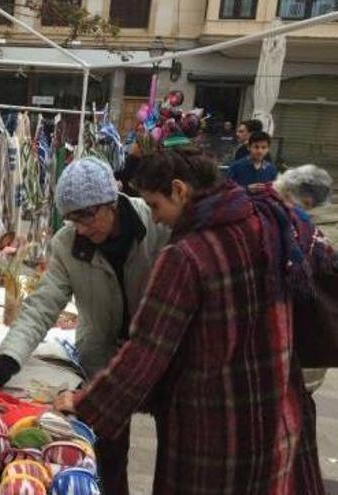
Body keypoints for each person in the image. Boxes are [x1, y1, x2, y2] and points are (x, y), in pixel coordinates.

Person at [57, 148, 331, 494]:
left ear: (179, 190)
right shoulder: (263, 219)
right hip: (276, 411)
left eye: (155, 205)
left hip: (213, 432)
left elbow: (145, 351)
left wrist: (85, 404)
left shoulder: (186, 256)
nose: (155, 219)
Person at [0, 156, 170, 495]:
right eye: (72, 218)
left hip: (157, 356)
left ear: (110, 202)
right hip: (102, 360)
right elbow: (41, 306)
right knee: (109, 452)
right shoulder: (67, 245)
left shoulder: (155, 223)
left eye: (87, 215)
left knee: (174, 449)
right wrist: (6, 361)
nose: (81, 227)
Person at [275, 164, 337, 392]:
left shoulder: (308, 235)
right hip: (322, 343)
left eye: (286, 199)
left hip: (302, 344)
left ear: (307, 201)